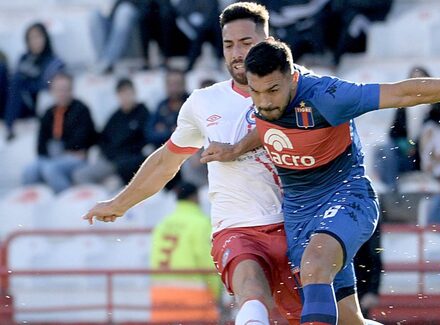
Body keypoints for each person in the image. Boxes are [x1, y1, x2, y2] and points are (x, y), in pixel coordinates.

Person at [230, 39, 440, 325]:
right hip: (299, 214)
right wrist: (235, 148)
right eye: (256, 92)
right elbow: (268, 125)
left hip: (347, 198)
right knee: (349, 319)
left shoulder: (327, 96)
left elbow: (401, 94)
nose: (264, 101)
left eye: (273, 91)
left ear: (292, 78)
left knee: (314, 266)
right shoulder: (262, 102)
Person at [82, 3, 302, 325]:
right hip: (237, 227)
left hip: (295, 223)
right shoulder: (204, 102)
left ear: (269, 41)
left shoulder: (301, 88)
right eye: (229, 45)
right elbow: (165, 162)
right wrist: (120, 202)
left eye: (246, 43)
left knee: (309, 317)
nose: (237, 53)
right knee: (252, 296)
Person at [150, 182, 220, 322]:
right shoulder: (200, 223)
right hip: (194, 297)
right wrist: (217, 293)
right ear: (195, 198)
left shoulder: (163, 223)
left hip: (161, 297)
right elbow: (207, 261)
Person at [22, 72, 96, 193]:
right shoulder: (48, 112)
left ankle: (66, 200)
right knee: (29, 171)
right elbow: (41, 142)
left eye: (65, 89)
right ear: (52, 91)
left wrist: (66, 149)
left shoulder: (81, 109)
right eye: (58, 90)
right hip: (51, 156)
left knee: (51, 169)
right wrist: (49, 152)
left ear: (71, 90)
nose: (61, 93)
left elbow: (84, 137)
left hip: (74, 157)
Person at [73, 78, 149, 186]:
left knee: (113, 185)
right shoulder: (116, 116)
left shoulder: (143, 113)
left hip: (129, 162)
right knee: (80, 175)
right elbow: (103, 139)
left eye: (128, 93)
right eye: (122, 94)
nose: (125, 97)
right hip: (111, 160)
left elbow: (145, 141)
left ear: (134, 93)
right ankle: (96, 200)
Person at [4, 22, 64, 140]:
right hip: (14, 102)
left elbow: (49, 86)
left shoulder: (52, 61)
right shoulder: (24, 58)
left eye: (38, 37)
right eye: (31, 38)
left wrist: (26, 83)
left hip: (30, 106)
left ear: (45, 38)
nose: (35, 41)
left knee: (17, 79)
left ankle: (9, 126)